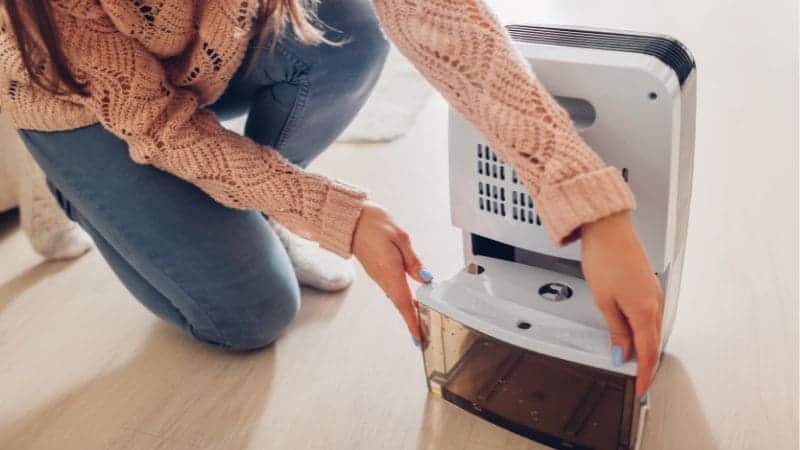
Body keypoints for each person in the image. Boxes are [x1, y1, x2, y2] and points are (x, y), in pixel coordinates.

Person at [0, 0, 662, 397]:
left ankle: (256, 203)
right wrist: (334, 214)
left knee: (352, 24)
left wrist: (582, 197)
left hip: (207, 54)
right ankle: (66, 179)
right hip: (79, 94)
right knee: (251, 317)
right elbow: (164, 128)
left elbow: (436, 17)